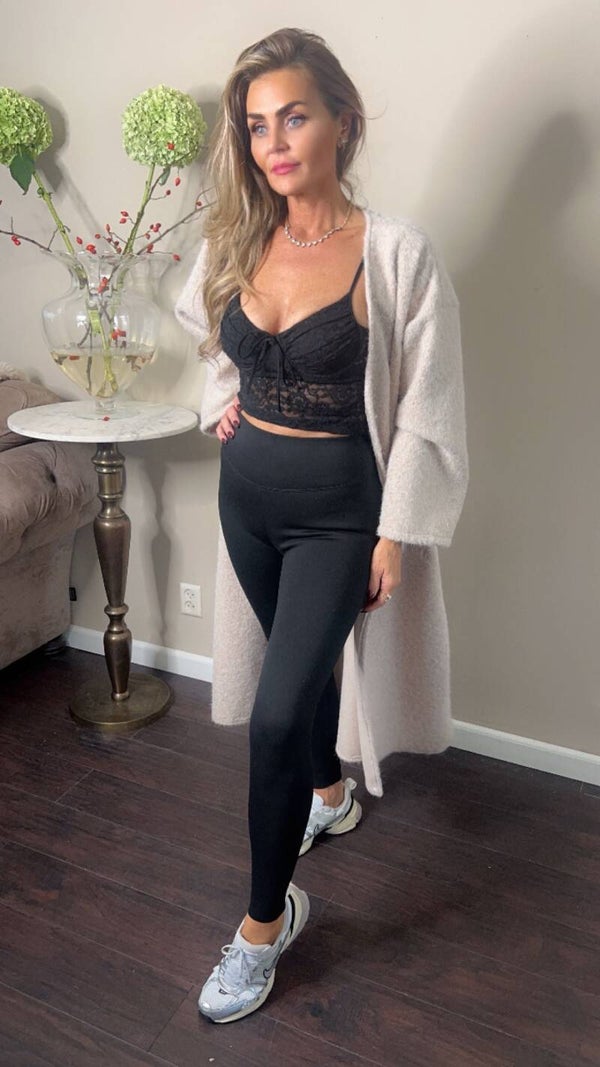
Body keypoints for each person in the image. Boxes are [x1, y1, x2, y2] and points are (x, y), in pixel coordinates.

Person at [175, 27, 469, 1025]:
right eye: (257, 126)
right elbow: (212, 330)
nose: (274, 143)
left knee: (273, 712)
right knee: (292, 689)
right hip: (247, 501)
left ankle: (267, 922)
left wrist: (396, 534)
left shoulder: (396, 253)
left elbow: (428, 404)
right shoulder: (238, 238)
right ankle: (329, 795)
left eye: (293, 117)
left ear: (343, 120)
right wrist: (222, 397)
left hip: (340, 518)